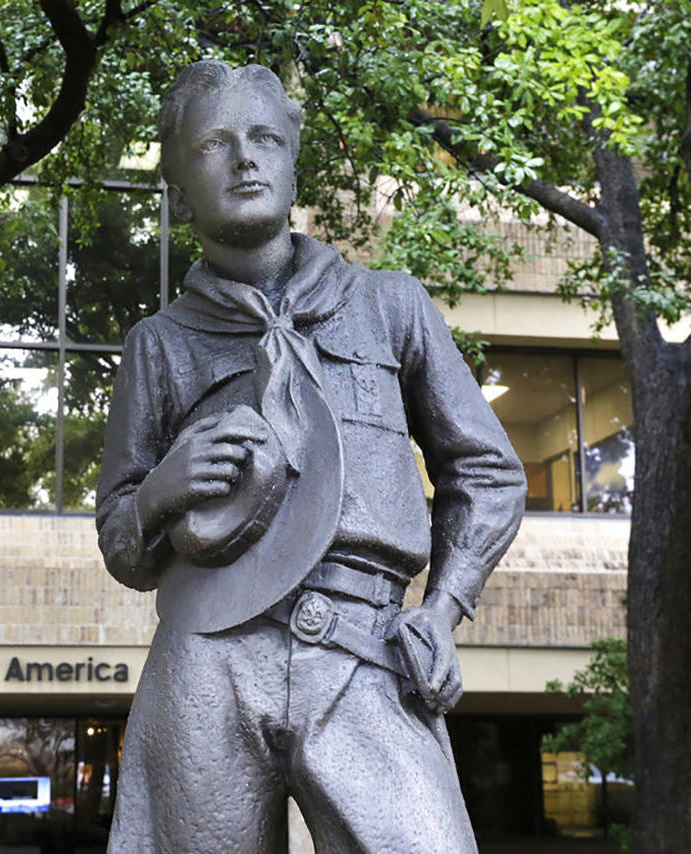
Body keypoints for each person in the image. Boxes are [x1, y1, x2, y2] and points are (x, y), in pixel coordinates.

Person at [95, 60, 526, 853]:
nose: (244, 159)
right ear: (179, 191)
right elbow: (120, 542)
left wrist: (444, 608)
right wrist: (157, 493)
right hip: (206, 656)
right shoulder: (158, 345)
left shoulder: (389, 305)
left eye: (264, 139)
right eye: (213, 145)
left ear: (294, 164)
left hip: (365, 645)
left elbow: (487, 471)